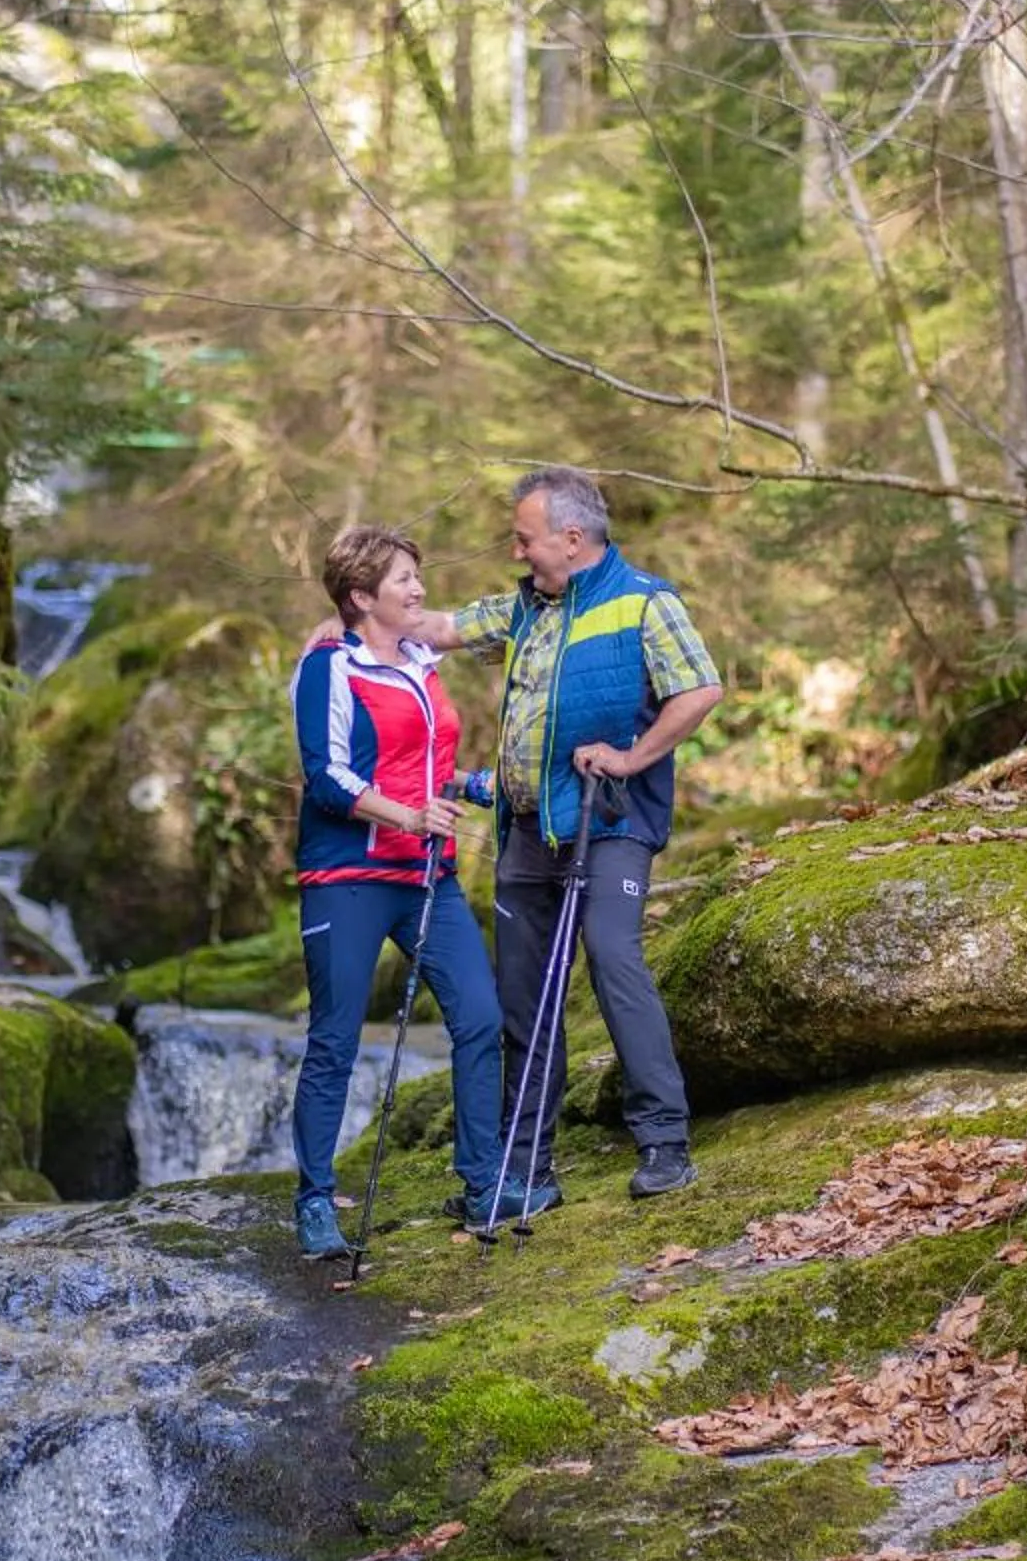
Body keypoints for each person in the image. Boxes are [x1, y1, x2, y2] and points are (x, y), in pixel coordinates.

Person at [421, 465, 722, 1203]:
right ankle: (525, 1172)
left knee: (613, 959)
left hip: (608, 818)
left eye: (525, 539)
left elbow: (700, 688)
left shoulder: (644, 602)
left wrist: (631, 757)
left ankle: (664, 1143)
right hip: (528, 830)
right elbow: (441, 629)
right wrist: (350, 626)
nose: (517, 551)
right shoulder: (524, 609)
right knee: (523, 998)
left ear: (572, 537)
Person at [288, 522, 502, 1261]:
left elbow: (422, 763)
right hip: (347, 879)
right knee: (335, 1040)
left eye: (417, 575)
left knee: (480, 1017)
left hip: (426, 876)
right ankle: (315, 1202)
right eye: (404, 579)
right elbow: (327, 776)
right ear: (360, 596)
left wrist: (473, 786)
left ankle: (482, 1183)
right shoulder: (328, 667)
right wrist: (408, 816)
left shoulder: (419, 662)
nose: (419, 588)